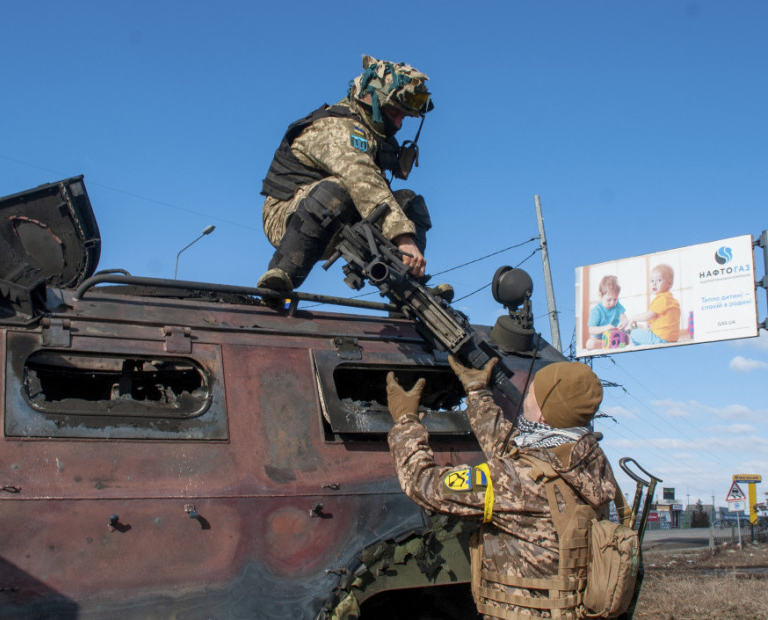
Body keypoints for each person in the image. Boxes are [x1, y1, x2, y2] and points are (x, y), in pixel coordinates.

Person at [385, 358, 620, 619]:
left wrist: (405, 422)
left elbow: (425, 485)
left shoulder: (517, 480)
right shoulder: (590, 460)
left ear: (542, 414)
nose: (526, 395)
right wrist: (477, 392)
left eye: (530, 392)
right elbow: (514, 454)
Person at [258, 55, 448, 299]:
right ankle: (279, 279)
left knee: (408, 200)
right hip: (288, 217)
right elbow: (361, 177)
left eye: (405, 116)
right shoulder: (336, 127)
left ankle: (409, 287)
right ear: (372, 104)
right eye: (394, 113)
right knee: (341, 188)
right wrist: (403, 237)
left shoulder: (374, 136)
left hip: (343, 215)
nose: (400, 124)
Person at [628, 264, 680, 346]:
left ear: (669, 283)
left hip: (661, 338)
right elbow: (660, 320)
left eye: (659, 280)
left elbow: (648, 315)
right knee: (642, 329)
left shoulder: (662, 299)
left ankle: (643, 345)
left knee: (634, 333)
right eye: (652, 281)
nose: (654, 284)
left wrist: (633, 318)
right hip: (672, 338)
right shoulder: (670, 299)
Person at [585, 275, 628, 350]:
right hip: (600, 339)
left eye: (615, 299)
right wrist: (605, 328)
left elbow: (624, 318)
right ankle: (609, 344)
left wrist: (624, 323)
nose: (612, 303)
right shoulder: (596, 311)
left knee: (630, 335)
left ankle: (616, 343)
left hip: (616, 336)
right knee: (590, 344)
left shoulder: (617, 305)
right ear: (600, 296)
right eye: (609, 300)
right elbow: (591, 330)